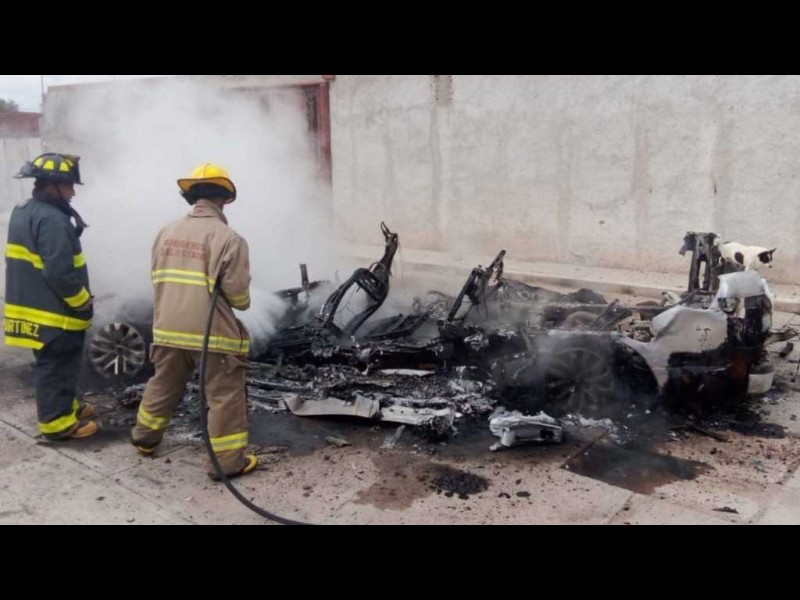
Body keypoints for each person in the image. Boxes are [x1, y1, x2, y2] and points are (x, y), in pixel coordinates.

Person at [131, 163, 256, 480]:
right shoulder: (229, 238)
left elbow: (158, 280)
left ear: (192, 197)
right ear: (224, 199)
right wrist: (240, 299)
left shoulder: (165, 232)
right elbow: (238, 297)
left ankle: (145, 438)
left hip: (167, 328)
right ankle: (226, 463)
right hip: (211, 335)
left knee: (163, 383)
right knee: (224, 396)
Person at [4, 153, 96, 440]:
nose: (73, 193)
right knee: (56, 365)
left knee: (61, 364)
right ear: (52, 186)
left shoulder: (24, 210)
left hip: (33, 305)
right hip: (54, 312)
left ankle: (69, 406)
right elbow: (59, 272)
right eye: (69, 186)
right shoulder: (53, 219)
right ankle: (57, 424)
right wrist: (82, 301)